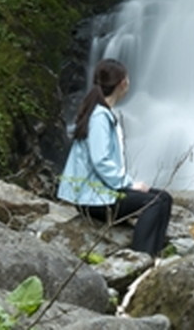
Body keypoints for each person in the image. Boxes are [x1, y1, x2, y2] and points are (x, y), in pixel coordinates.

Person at [57, 58, 174, 255]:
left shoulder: (100, 112)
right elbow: (100, 160)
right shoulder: (99, 117)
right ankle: (141, 256)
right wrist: (128, 183)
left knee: (165, 198)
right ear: (123, 83)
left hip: (98, 193)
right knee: (154, 202)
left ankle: (155, 253)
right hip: (94, 198)